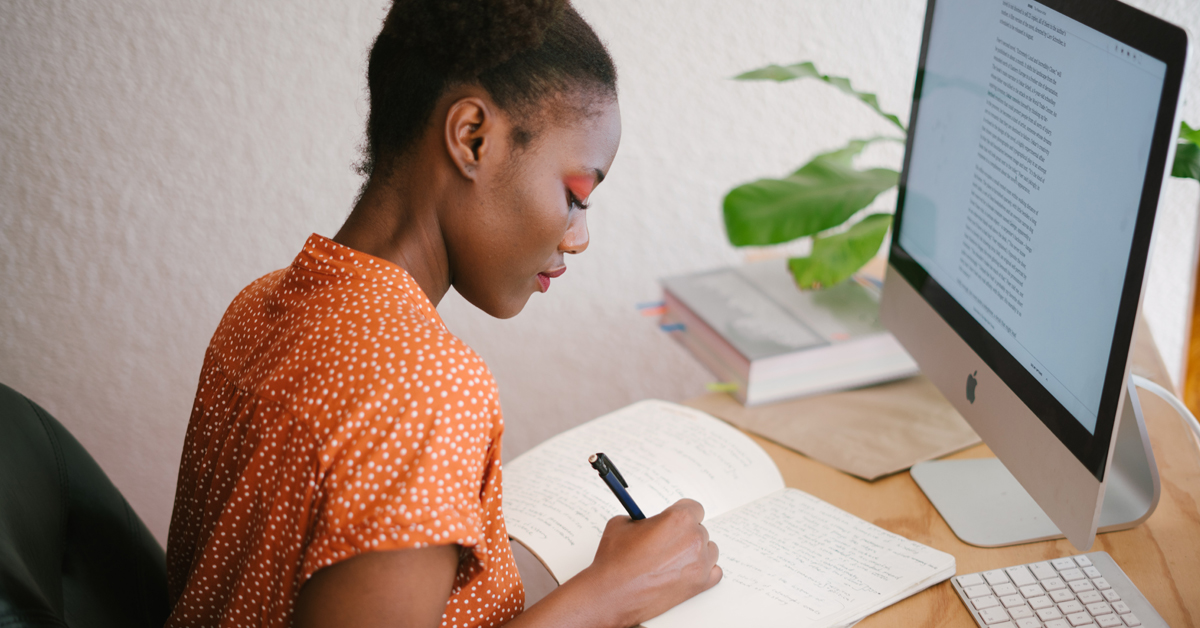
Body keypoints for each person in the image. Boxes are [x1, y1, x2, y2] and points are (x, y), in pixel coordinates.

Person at [164, 1, 722, 627]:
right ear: (471, 138)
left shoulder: (260, 305)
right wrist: (610, 597)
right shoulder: (426, 388)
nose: (578, 237)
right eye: (575, 196)